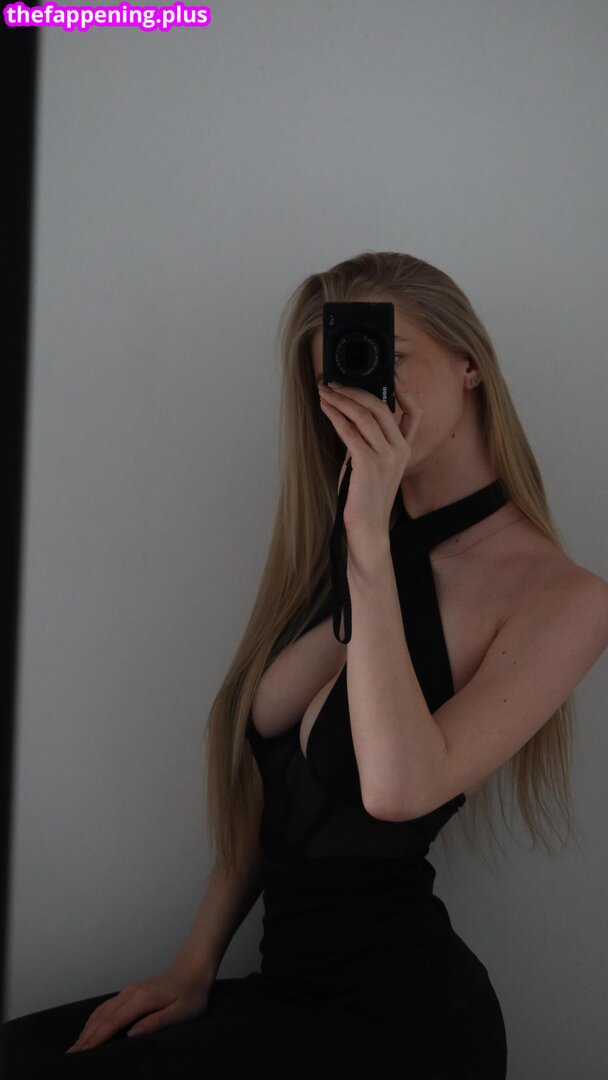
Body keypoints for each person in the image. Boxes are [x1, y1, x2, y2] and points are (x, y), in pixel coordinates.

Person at [3, 251, 608, 1079]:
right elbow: (275, 792)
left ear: (470, 364)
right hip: (285, 992)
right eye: (344, 377)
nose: (368, 397)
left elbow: (399, 789)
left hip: (409, 1026)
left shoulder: (565, 598)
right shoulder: (360, 549)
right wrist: (193, 965)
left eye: (390, 360)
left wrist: (368, 541)